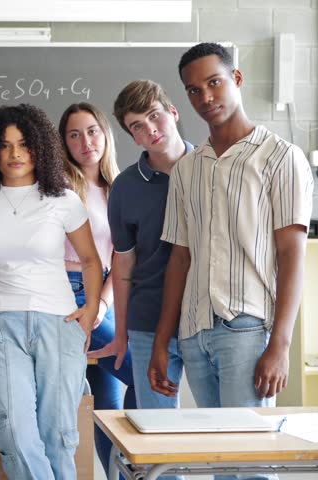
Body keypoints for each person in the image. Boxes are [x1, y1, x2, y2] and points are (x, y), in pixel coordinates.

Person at [148, 43, 314, 480]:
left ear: (236, 80)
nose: (205, 97)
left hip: (246, 329)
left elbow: (291, 253)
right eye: (193, 90)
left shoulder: (280, 157)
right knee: (222, 462)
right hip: (194, 332)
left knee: (253, 464)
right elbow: (179, 258)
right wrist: (164, 341)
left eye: (214, 83)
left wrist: (280, 344)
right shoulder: (187, 169)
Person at [0, 103, 103, 479]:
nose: (15, 154)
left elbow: (92, 261)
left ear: (39, 147)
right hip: (0, 326)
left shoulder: (63, 199)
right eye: (5, 145)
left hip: (58, 322)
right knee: (11, 428)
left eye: (24, 144)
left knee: (58, 435)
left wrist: (90, 310)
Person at [90, 79, 195, 480]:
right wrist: (121, 334)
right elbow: (123, 264)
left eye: (154, 115)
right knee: (156, 440)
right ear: (129, 135)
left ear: (173, 112)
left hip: (208, 319)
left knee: (225, 430)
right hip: (149, 322)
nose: (149, 128)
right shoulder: (126, 187)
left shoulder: (210, 168)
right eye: (136, 125)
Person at [58, 102, 135, 480]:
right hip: (71, 291)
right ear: (64, 143)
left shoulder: (120, 187)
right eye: (74, 134)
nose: (85, 141)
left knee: (108, 406)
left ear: (105, 134)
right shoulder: (57, 187)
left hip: (111, 292)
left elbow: (122, 255)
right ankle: (154, 472)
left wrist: (104, 303)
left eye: (91, 130)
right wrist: (95, 304)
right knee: (148, 376)